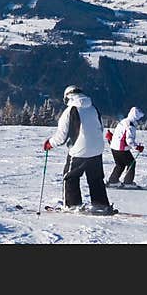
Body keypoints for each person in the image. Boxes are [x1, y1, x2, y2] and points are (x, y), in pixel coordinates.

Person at [42, 85, 114, 214]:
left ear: (67, 97)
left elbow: (61, 135)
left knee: (70, 176)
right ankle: (101, 204)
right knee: (96, 178)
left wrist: (50, 143)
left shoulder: (70, 111)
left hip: (79, 150)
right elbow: (101, 127)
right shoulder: (93, 108)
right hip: (97, 149)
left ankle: (72, 204)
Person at [105, 106, 145, 187]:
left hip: (114, 147)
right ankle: (128, 182)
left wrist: (111, 138)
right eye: (139, 117)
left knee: (120, 165)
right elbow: (129, 140)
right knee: (131, 163)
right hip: (121, 148)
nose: (139, 119)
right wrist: (137, 147)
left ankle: (113, 181)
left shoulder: (123, 121)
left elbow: (119, 134)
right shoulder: (130, 126)